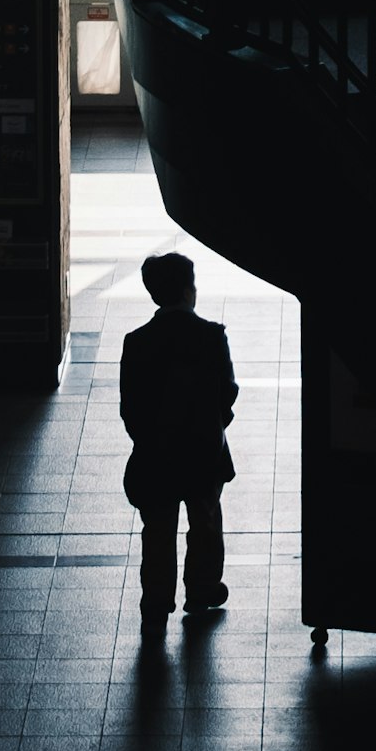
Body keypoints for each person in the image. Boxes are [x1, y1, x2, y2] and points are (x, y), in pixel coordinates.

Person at [118, 250, 236, 628]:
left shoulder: (136, 342)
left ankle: (155, 601)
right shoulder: (211, 336)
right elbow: (227, 391)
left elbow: (130, 407)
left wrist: (149, 437)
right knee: (204, 520)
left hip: (155, 453)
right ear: (188, 291)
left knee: (157, 528)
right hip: (203, 448)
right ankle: (201, 589)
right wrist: (216, 423)